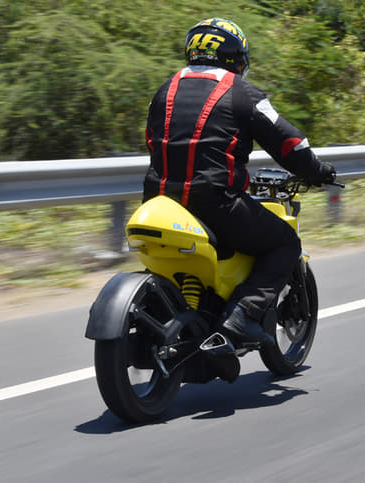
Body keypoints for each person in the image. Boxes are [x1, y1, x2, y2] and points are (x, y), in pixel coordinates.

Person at [143, 18, 335, 346]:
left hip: (158, 201)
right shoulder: (241, 92)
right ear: (236, 57)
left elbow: (154, 140)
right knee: (285, 242)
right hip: (215, 203)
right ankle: (242, 315)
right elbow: (288, 141)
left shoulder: (165, 89)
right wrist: (316, 170)